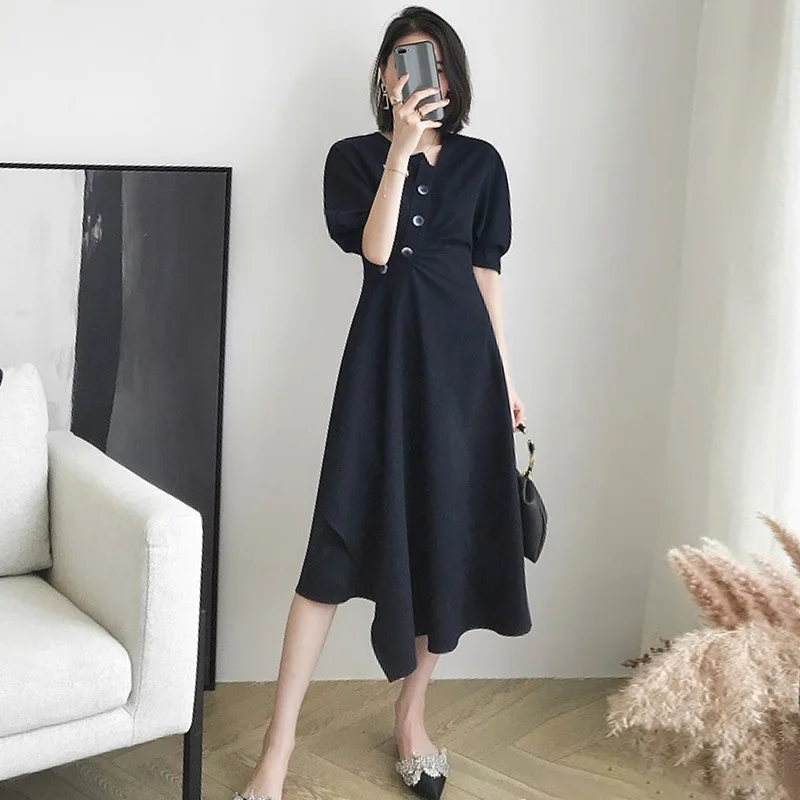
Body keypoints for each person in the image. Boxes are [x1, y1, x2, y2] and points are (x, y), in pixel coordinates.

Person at [234, 7, 532, 800]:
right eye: (406, 58)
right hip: (380, 373)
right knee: (332, 548)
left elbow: (487, 275)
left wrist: (506, 381)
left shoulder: (483, 164)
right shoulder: (353, 158)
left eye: (435, 59)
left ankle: (412, 718)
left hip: (463, 377)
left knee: (444, 539)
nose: (420, 71)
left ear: (452, 76)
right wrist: (399, 150)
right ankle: (276, 749)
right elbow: (375, 252)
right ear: (384, 75)